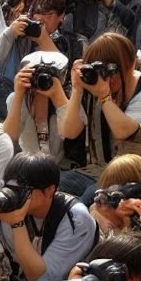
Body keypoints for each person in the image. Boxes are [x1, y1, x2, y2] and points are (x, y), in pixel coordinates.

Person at [0, 153, 98, 281]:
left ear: (49, 191)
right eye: (10, 189)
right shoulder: (13, 209)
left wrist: (17, 224)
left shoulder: (76, 218)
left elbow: (42, 280)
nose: (14, 196)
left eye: (22, 191)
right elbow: (19, 268)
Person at [59, 33, 141, 202]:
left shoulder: (138, 89)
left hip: (130, 174)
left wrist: (104, 96)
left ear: (130, 65)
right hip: (94, 170)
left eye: (113, 71)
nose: (108, 79)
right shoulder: (93, 83)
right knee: (48, 186)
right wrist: (77, 90)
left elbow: (123, 130)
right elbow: (69, 131)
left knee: (90, 199)